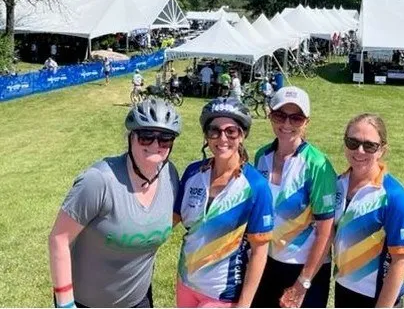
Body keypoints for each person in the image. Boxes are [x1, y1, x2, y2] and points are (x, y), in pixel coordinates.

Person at [49, 99, 182, 307]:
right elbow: (59, 238)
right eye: (146, 137)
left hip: (138, 301)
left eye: (165, 138)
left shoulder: (170, 175)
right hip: (85, 302)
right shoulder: (99, 180)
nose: (156, 145)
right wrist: (65, 303)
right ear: (131, 138)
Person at [174, 97, 274, 308]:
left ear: (242, 135)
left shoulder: (256, 186)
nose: (222, 138)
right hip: (185, 284)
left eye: (231, 131)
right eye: (214, 130)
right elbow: (171, 220)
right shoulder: (193, 172)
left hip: (221, 293)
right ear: (206, 135)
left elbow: (259, 252)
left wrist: (244, 305)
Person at [253, 86, 337, 308]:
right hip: (265, 262)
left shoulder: (318, 165)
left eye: (296, 118)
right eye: (280, 115)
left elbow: (326, 232)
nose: (287, 124)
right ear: (270, 115)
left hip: (304, 269)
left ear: (306, 122)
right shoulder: (262, 156)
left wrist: (303, 282)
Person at [334, 113, 404, 308]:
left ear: (382, 150)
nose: (360, 151)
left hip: (379, 298)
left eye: (369, 145)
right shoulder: (338, 184)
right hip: (343, 289)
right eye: (352, 142)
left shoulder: (394, 196)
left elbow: (402, 260)